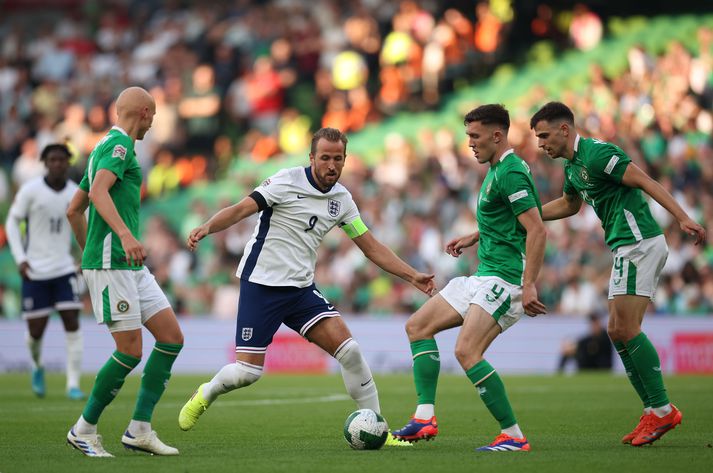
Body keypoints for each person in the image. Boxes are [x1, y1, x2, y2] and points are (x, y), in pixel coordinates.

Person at [178, 127, 435, 447]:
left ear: (345, 160)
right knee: (247, 373)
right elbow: (242, 209)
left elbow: (370, 247)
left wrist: (412, 276)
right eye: (325, 157)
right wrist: (207, 227)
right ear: (311, 158)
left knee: (351, 352)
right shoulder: (285, 182)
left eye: (338, 158)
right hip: (262, 284)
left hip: (300, 290)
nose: (331, 164)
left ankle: (377, 428)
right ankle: (206, 393)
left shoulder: (342, 200)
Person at [530, 101, 706, 447]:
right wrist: (529, 214)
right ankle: (654, 410)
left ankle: (663, 409)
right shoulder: (572, 168)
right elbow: (569, 205)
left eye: (545, 135)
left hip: (638, 241)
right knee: (615, 330)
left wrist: (682, 216)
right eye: (538, 138)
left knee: (626, 328)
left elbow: (643, 180)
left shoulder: (596, 154)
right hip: (624, 246)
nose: (541, 144)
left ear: (564, 129)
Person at [392, 104, 547, 452]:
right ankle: (424, 418)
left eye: (475, 136)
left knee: (467, 351)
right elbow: (508, 219)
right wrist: (475, 235)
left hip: (505, 280)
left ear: (497, 135)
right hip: (483, 275)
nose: (470, 144)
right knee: (417, 327)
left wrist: (529, 284)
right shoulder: (497, 170)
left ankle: (514, 435)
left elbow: (536, 229)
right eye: (468, 137)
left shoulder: (510, 173)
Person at [64, 87, 184, 457]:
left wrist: (91, 256)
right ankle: (83, 429)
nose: (154, 122)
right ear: (145, 112)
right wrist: (120, 240)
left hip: (122, 263)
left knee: (171, 337)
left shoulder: (103, 148)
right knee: (130, 351)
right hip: (114, 260)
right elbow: (99, 193)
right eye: (154, 115)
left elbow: (73, 209)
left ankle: (140, 429)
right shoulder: (118, 148)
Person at [5, 143, 85, 400]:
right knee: (36, 331)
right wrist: (20, 258)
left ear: (68, 163)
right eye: (52, 159)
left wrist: (84, 257)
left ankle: (73, 383)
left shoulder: (76, 193)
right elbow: (11, 222)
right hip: (36, 271)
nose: (57, 164)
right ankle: (37, 367)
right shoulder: (31, 191)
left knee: (72, 323)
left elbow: (88, 226)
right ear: (44, 162)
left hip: (64, 269)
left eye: (62, 160)